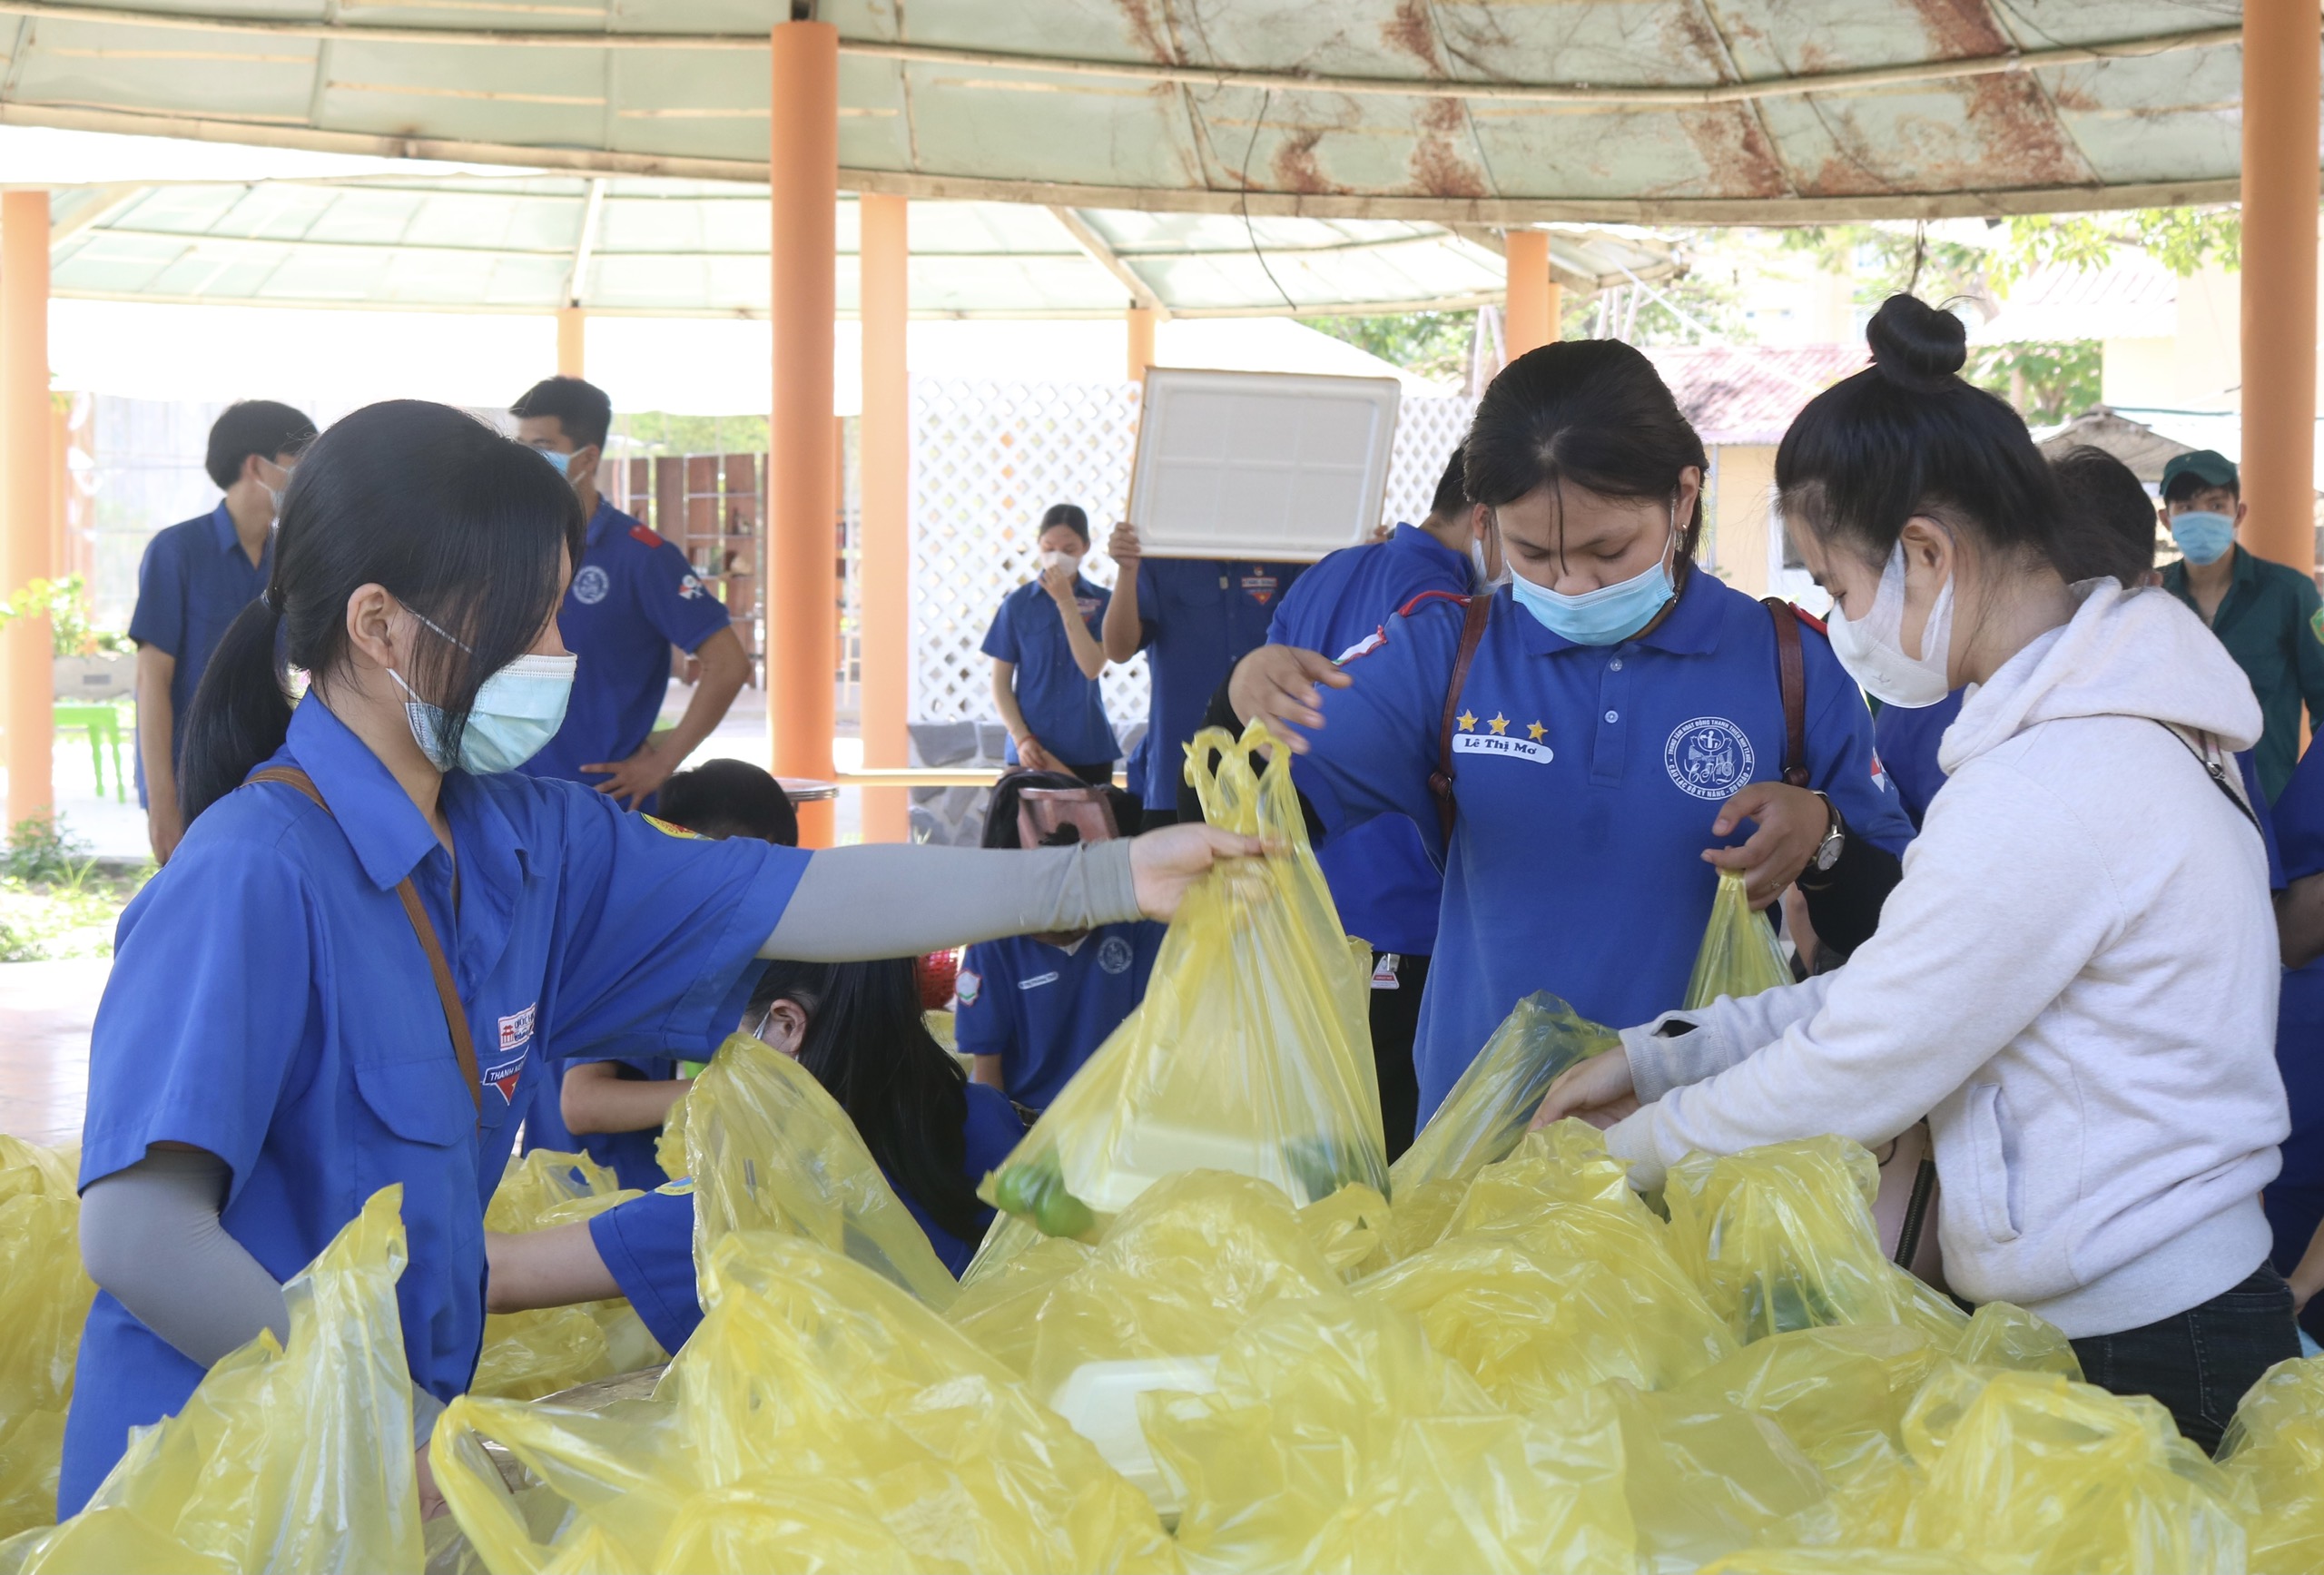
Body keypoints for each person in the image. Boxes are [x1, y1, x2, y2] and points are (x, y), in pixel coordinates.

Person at [60, 399, 1253, 1517]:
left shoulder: (523, 840)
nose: (557, 644)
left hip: (379, 1468)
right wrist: (386, 1422)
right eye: (524, 615)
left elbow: (803, 894)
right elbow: (142, 1234)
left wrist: (1108, 876)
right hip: (217, 1483)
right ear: (379, 627)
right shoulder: (251, 872)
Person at [1533, 295, 2298, 1454]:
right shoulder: (2097, 727)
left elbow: (1865, 1064)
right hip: (2143, 1303)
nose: (1842, 621)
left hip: (2144, 1337)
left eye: (1840, 589)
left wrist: (1623, 1157)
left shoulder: (2066, 773)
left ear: (1927, 553)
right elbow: (1901, 985)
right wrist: (1660, 1054)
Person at [1225, 340, 1912, 1127]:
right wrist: (1241, 695)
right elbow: (1258, 803)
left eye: (1607, 550)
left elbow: (1900, 919)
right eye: (1533, 554)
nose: (1571, 584)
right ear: (1485, 526)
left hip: (1704, 1139)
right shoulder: (1446, 650)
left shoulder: (1789, 662)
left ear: (1684, 498)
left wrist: (1823, 839)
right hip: (1481, 1146)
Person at [487, 956, 1023, 1354]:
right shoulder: (985, 1120)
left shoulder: (741, 1210)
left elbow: (501, 1274)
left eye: (724, 1039)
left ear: (786, 1026)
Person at [1229, 449, 1484, 1157]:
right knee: (1401, 1143)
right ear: (1489, 516)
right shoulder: (1445, 608)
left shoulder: (1327, 571)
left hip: (1303, 900)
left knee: (1324, 1133)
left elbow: (1266, 722)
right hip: (1399, 908)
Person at [538, 758, 803, 1186]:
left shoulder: (662, 917)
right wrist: (743, 1091)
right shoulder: (648, 937)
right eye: (770, 867)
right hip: (595, 1203)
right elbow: (582, 1101)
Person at [507, 376, 752, 812]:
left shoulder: (641, 556)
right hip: (510, 797)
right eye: (521, 447)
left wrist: (662, 761)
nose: (527, 461)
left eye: (541, 445)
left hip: (603, 804)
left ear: (587, 457)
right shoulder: (508, 545)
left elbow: (728, 664)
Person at [131, 399, 317, 864]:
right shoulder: (177, 552)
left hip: (270, 773)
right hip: (189, 776)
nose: (308, 482)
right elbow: (151, 680)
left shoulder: (291, 559)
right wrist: (163, 802)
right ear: (256, 466)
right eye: (299, 467)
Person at [956, 771, 1162, 1114]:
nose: (1064, 922)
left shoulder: (1133, 926)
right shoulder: (993, 946)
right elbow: (987, 1077)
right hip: (1029, 1122)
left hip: (1120, 1118)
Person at [1102, 526, 1307, 827]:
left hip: (1273, 769)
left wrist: (1361, 557)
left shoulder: (1288, 554)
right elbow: (1118, 650)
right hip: (1179, 773)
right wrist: (1127, 570)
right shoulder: (1161, 555)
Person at [2156, 448, 2324, 802]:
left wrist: (2310, 803)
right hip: (2178, 805)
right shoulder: (2151, 598)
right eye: (2186, 507)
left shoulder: (2290, 593)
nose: (2202, 517)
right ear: (2166, 519)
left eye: (2216, 505)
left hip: (2268, 809)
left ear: (2239, 513)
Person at [984, 504, 1118, 783]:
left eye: (1069, 549)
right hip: (1031, 748)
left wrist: (1066, 602)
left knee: (1096, 826)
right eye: (1048, 547)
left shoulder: (1104, 603)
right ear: (1038, 546)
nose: (1057, 556)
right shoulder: (1017, 605)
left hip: (1087, 747)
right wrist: (1022, 738)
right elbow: (999, 684)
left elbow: (1092, 666)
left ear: (1085, 547)